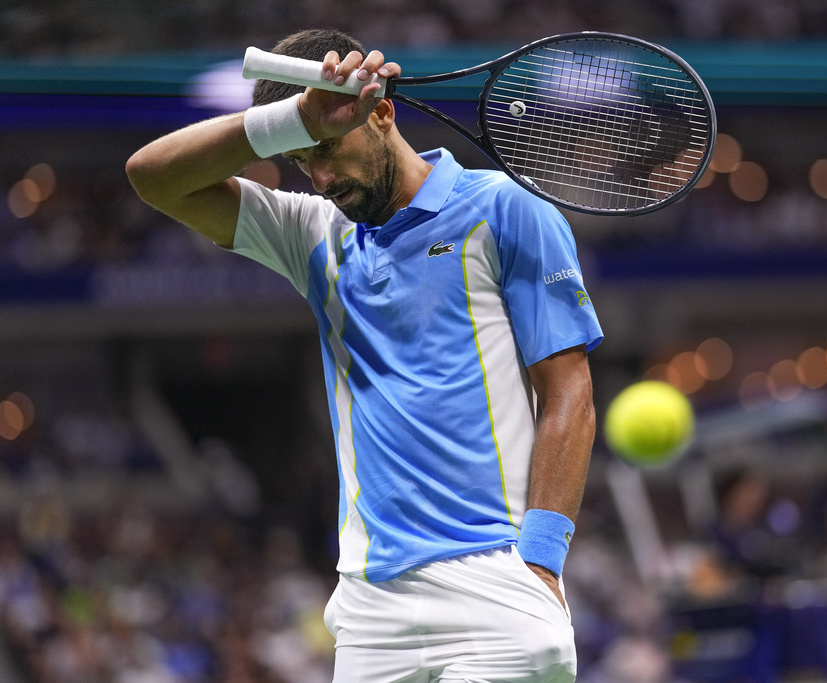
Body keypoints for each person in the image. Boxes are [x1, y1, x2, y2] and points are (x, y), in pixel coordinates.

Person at [125, 28, 603, 682]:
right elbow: (152, 177)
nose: (320, 178)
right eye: (299, 159)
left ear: (381, 111)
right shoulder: (314, 235)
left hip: (495, 580)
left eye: (327, 148)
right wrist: (294, 119)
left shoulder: (504, 209)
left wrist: (542, 561)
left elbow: (569, 393)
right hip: (370, 607)